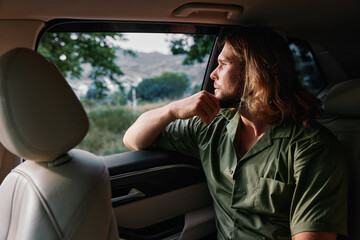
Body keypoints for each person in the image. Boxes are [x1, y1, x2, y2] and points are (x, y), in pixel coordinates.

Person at [123, 27, 348, 240]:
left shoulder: (312, 148)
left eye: (222, 64)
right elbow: (133, 139)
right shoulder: (211, 126)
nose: (212, 74)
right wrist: (171, 110)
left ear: (253, 71)